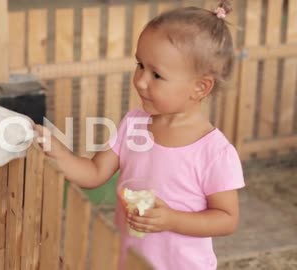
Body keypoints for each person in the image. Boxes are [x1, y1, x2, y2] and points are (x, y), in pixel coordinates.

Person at [34, 1, 244, 269]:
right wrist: (57, 151)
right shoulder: (134, 124)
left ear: (200, 87)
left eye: (156, 74)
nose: (141, 80)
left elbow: (227, 219)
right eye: (140, 65)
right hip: (130, 261)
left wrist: (172, 219)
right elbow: (93, 173)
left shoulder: (214, 152)